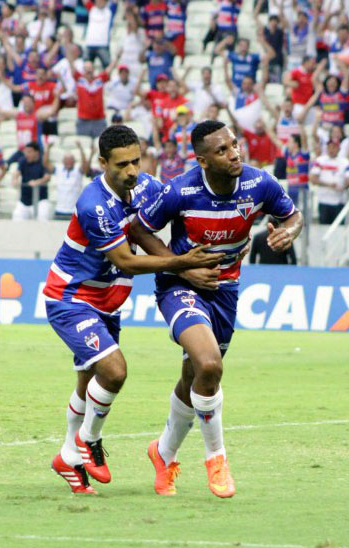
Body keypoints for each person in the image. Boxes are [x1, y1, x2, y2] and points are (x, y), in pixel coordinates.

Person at [44, 125, 222, 494]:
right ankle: (88, 442)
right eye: (122, 164)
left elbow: (176, 200)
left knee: (88, 383)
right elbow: (125, 261)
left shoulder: (144, 186)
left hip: (108, 300)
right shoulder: (94, 204)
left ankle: (67, 454)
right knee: (114, 371)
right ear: (102, 163)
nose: (132, 171)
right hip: (72, 297)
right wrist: (182, 263)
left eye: (136, 161)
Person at [129, 120, 303, 498]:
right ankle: (217, 460)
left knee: (196, 377)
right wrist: (183, 267)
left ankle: (162, 454)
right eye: (222, 150)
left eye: (235, 145)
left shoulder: (260, 184)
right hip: (180, 285)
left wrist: (290, 230)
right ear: (203, 160)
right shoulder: (182, 190)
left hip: (225, 290)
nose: (234, 153)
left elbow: (292, 214)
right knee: (210, 365)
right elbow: (140, 231)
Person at [310, 139, 349, 224]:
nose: (331, 149)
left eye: (334, 147)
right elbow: (313, 178)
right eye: (329, 147)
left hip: (339, 201)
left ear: (339, 148)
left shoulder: (345, 162)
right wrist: (329, 185)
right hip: (324, 201)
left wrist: (343, 187)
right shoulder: (320, 161)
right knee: (323, 228)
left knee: (339, 228)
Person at [11, 142, 50, 220]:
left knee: (43, 219)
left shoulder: (43, 162)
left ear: (36, 152)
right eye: (26, 152)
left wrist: (37, 182)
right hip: (24, 200)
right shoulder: (23, 161)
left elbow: (47, 177)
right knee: (17, 216)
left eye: (29, 152)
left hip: (40, 200)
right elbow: (17, 172)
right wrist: (15, 180)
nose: (26, 154)